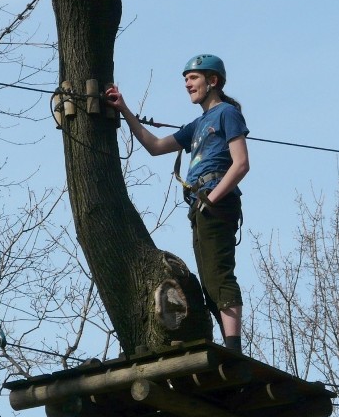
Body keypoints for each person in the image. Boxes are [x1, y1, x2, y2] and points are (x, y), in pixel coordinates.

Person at [105, 54, 249, 352]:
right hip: (201, 205)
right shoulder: (196, 125)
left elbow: (241, 164)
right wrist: (124, 109)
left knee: (219, 275)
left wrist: (212, 198)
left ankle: (234, 350)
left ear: (213, 81)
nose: (187, 83)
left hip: (215, 201)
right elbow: (155, 146)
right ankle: (227, 342)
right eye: (185, 79)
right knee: (209, 282)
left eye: (193, 77)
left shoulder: (227, 114)